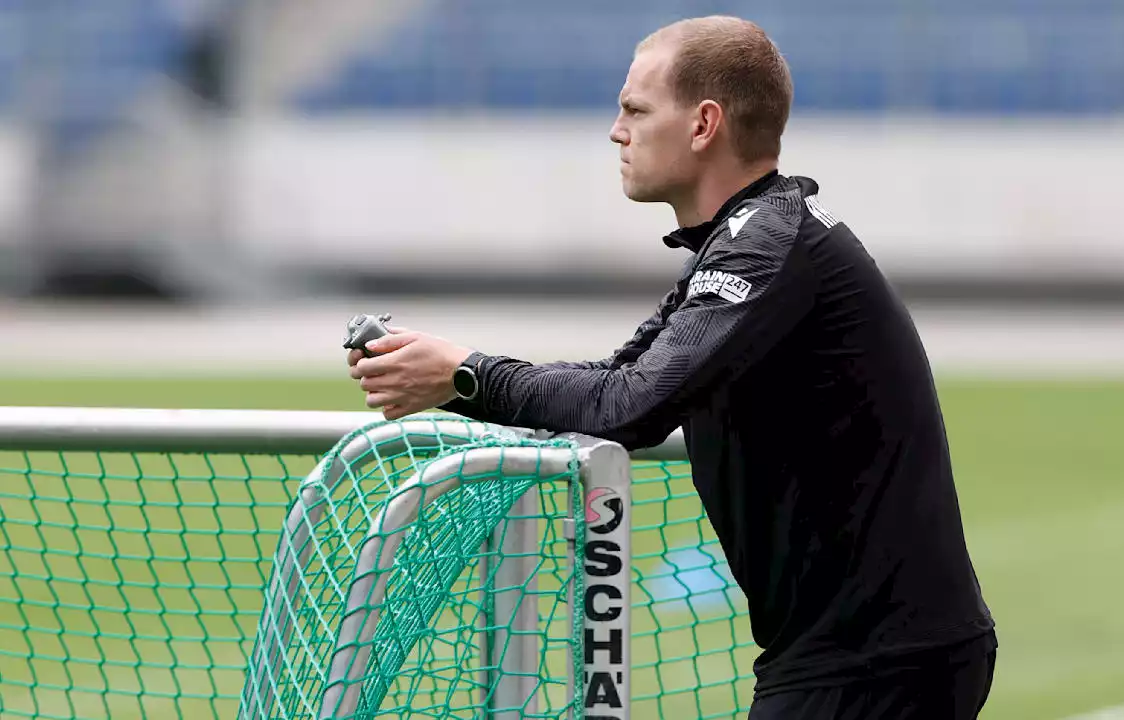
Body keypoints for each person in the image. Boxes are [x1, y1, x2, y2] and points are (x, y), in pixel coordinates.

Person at [347, 15, 997, 719]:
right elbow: (620, 377)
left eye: (634, 109)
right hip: (859, 657)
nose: (616, 130)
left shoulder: (765, 244)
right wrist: (448, 374)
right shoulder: (744, 241)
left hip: (878, 664)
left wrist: (466, 372)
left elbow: (632, 404)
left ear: (703, 124)